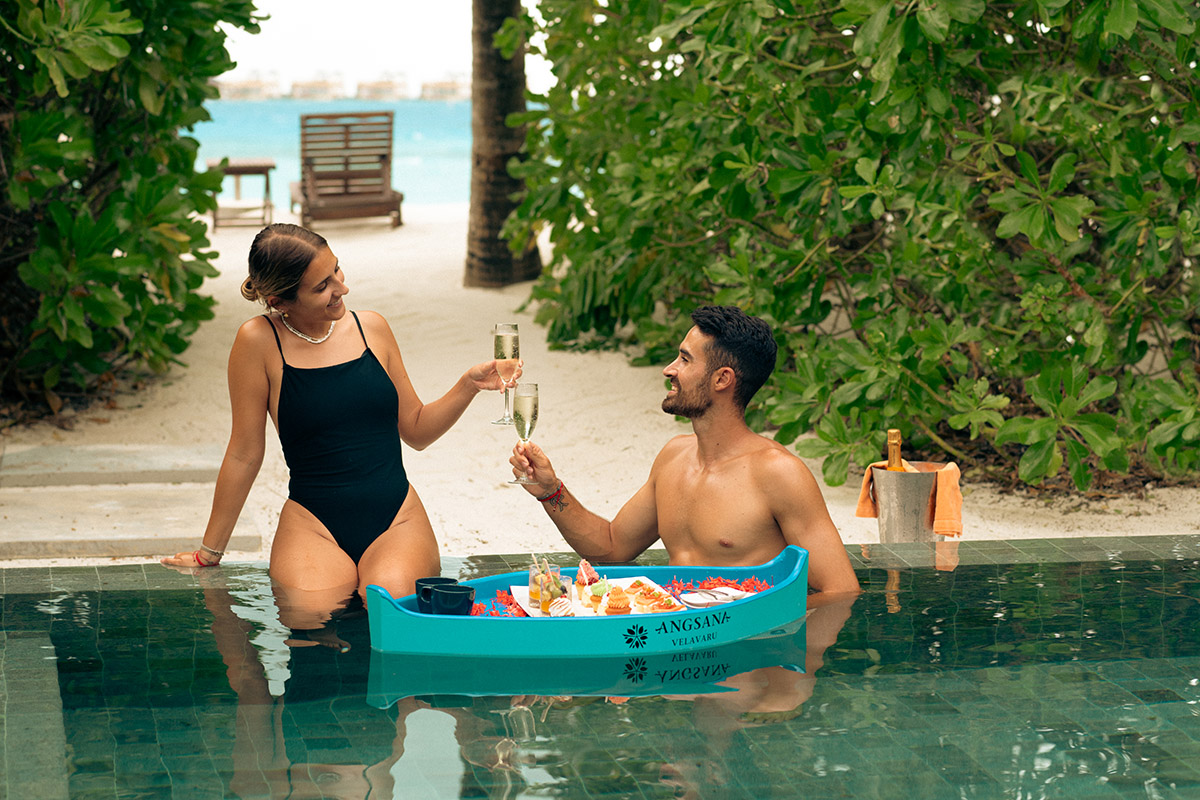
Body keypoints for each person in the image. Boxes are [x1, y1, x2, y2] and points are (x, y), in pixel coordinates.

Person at [163, 223, 512, 615]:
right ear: (280, 301)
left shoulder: (372, 329)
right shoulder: (258, 342)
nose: (341, 288)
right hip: (312, 524)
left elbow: (416, 429)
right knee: (311, 615)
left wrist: (468, 385)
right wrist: (210, 551)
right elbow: (245, 453)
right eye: (321, 286)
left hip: (396, 519)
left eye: (337, 271)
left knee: (390, 614)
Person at [510, 305, 859, 596]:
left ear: (722, 379)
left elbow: (841, 591)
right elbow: (612, 547)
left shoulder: (778, 474)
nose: (669, 370)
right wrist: (550, 491)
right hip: (675, 643)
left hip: (745, 667)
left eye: (684, 360)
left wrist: (753, 618)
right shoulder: (673, 457)